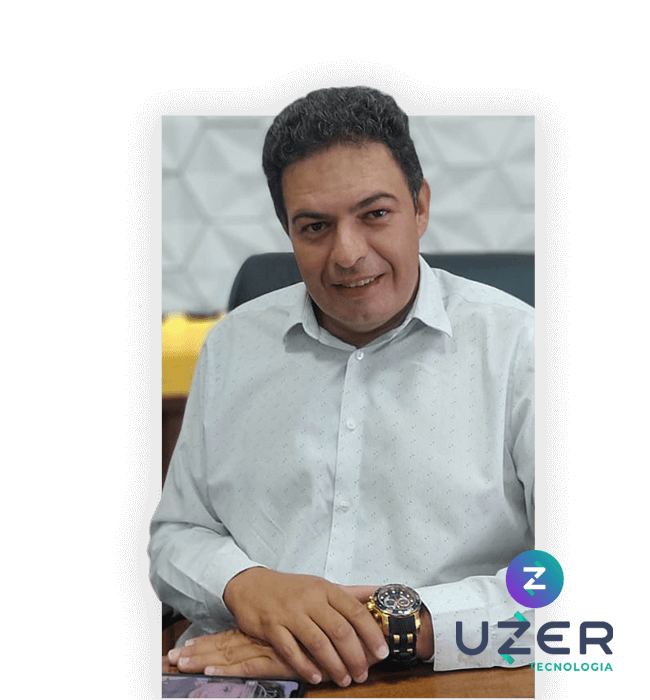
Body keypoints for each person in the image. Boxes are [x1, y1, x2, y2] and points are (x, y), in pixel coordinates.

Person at [151, 87, 535, 688]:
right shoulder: (231, 346)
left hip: (436, 679)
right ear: (288, 230)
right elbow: (176, 534)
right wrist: (244, 585)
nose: (349, 254)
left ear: (420, 207)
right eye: (316, 226)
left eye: (375, 214)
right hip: (233, 671)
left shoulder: (518, 346)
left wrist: (387, 628)